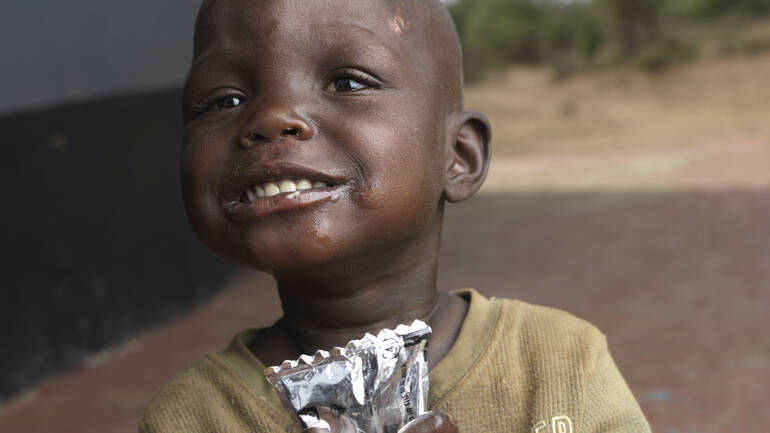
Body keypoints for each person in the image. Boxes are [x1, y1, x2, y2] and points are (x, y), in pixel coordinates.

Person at [139, 0, 651, 432]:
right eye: (224, 99)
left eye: (346, 83)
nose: (271, 119)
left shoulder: (558, 364)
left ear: (459, 157)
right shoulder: (193, 417)